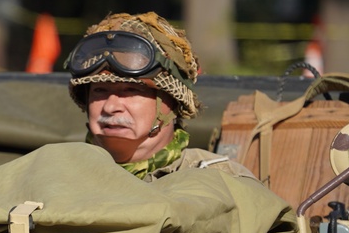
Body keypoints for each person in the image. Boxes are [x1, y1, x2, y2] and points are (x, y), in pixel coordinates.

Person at [65, 11, 252, 181]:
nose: (110, 107)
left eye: (131, 90)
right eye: (100, 91)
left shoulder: (223, 182)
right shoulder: (57, 175)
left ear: (172, 101)